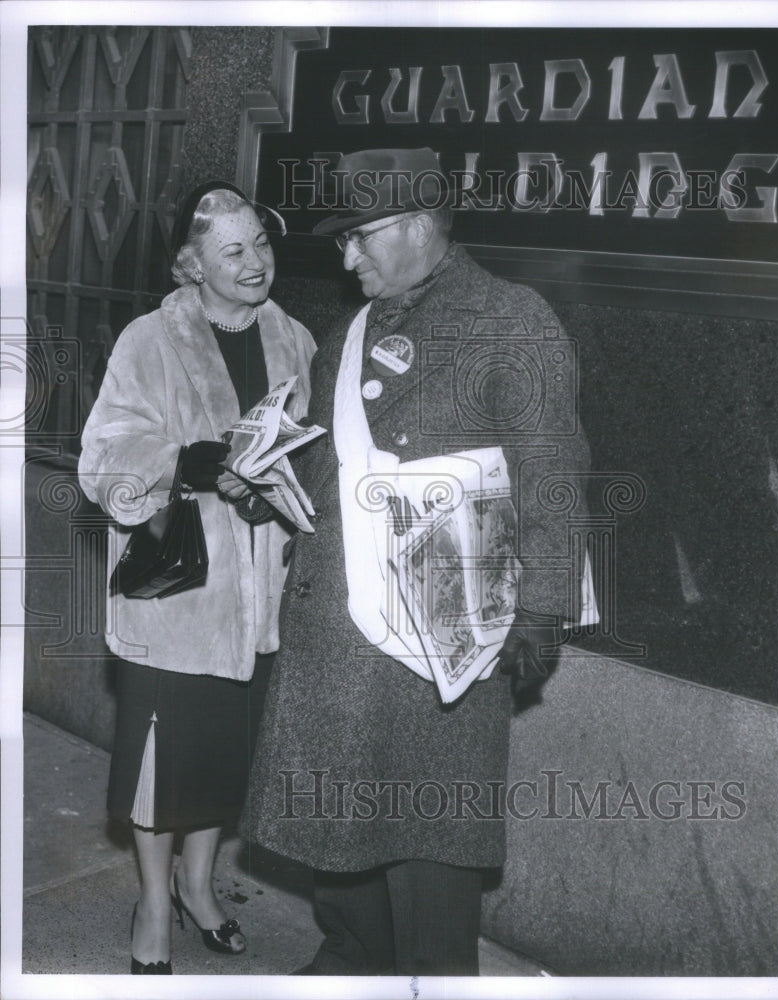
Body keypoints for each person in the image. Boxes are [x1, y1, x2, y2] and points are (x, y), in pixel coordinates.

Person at [243, 148, 591, 976]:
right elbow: (325, 474)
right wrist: (260, 479)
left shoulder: (513, 319)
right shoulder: (346, 332)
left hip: (438, 631)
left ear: (419, 226)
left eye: (360, 236)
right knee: (338, 828)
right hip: (337, 622)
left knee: (428, 841)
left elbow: (552, 472)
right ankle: (353, 957)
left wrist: (540, 609)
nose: (347, 256)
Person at [78, 181, 316, 974]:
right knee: (160, 768)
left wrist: (267, 492)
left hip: (258, 594)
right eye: (234, 252)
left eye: (263, 245)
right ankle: (153, 902)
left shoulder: (296, 341)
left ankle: (200, 887)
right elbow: (102, 461)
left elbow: (299, 460)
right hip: (178, 593)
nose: (255, 264)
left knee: (221, 759)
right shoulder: (150, 341)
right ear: (194, 265)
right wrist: (185, 464)